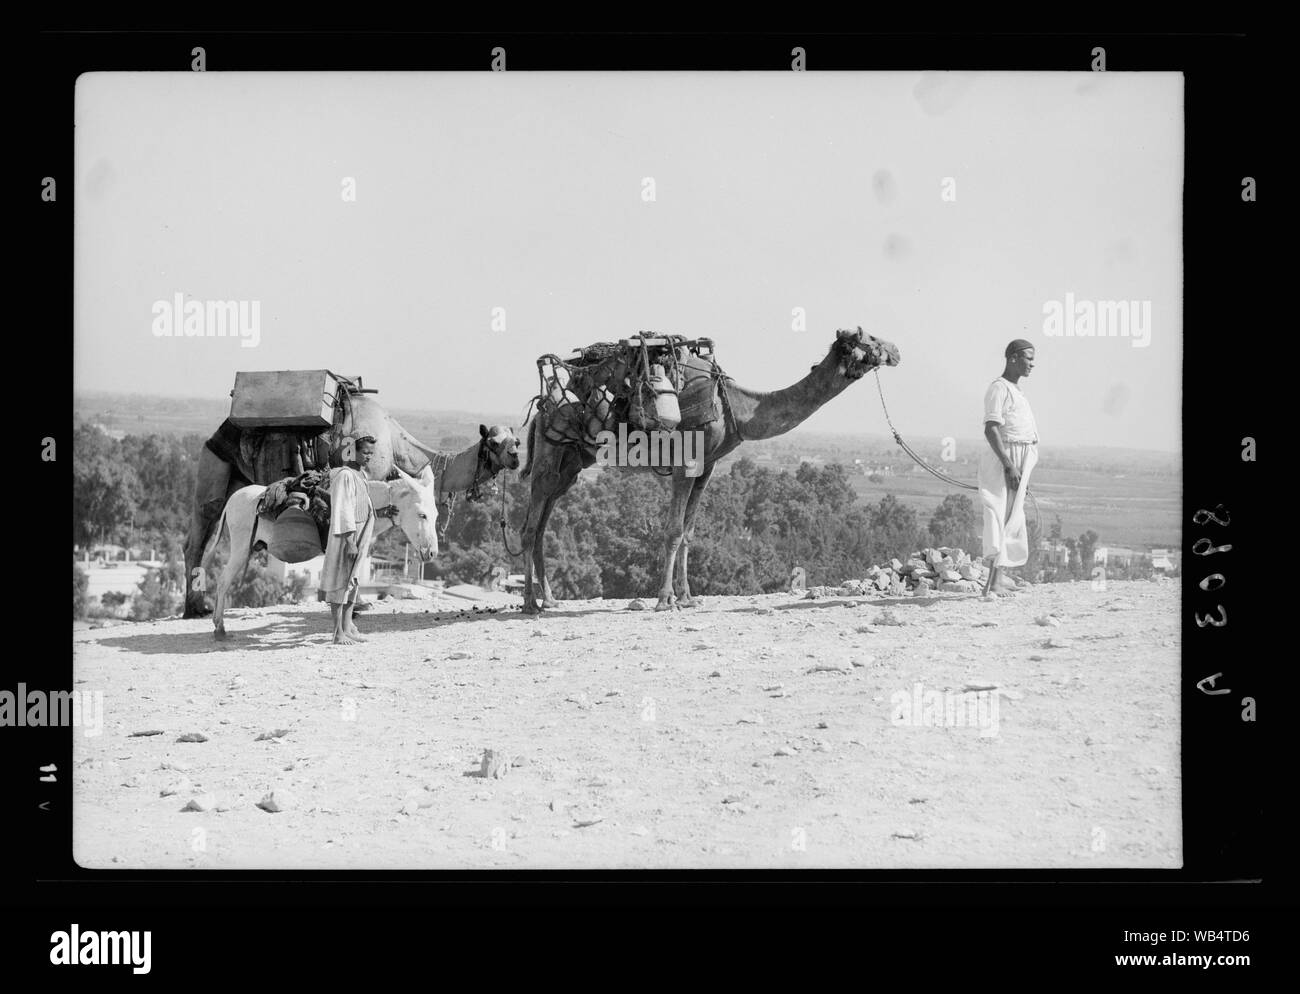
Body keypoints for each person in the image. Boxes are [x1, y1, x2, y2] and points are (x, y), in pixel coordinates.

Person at [979, 340, 1039, 599]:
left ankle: (999, 580)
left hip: (1020, 457)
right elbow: (991, 428)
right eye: (1028, 358)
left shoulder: (1016, 390)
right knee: (999, 516)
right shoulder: (998, 388)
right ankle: (991, 585)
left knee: (1012, 518)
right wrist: (1008, 465)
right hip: (1005, 458)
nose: (1032, 364)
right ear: (1013, 358)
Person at [320, 433, 377, 644]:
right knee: (340, 582)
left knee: (353, 582)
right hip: (347, 536)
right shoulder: (345, 475)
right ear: (354, 452)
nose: (368, 457)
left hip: (361, 533)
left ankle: (348, 627)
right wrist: (350, 541)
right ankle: (337, 633)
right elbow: (343, 510)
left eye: (371, 453)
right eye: (365, 452)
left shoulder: (362, 476)